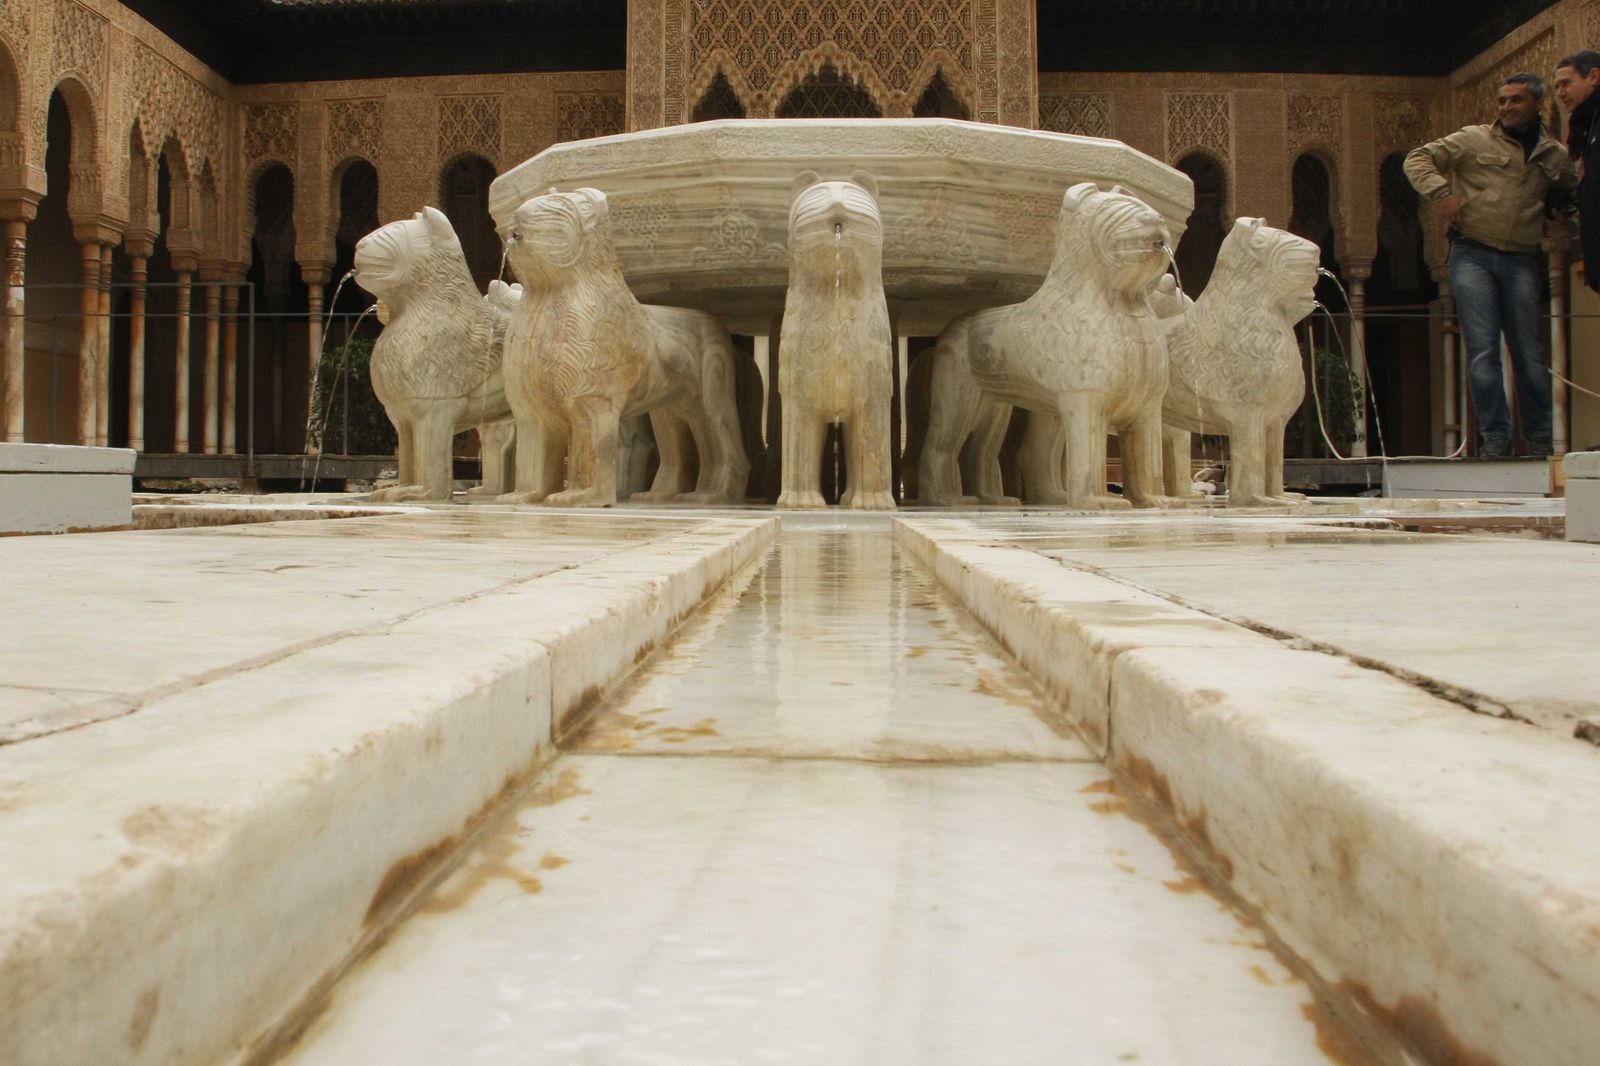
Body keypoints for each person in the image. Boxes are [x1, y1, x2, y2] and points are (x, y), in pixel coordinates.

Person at [1404, 72, 1575, 457]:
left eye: (1516, 100)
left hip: (1519, 257)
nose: (1507, 108)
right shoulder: (1474, 138)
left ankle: (1538, 439)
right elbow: (1419, 159)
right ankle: (1495, 437)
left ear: (1537, 104)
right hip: (1472, 252)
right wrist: (1441, 194)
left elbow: (1569, 193)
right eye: (1502, 101)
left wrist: (1563, 219)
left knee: (1529, 352)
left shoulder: (1553, 155)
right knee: (1482, 351)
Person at [1554, 51, 1600, 294]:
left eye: (1566, 83)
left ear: (1593, 76)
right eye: (1557, 87)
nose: (1560, 93)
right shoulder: (1587, 126)